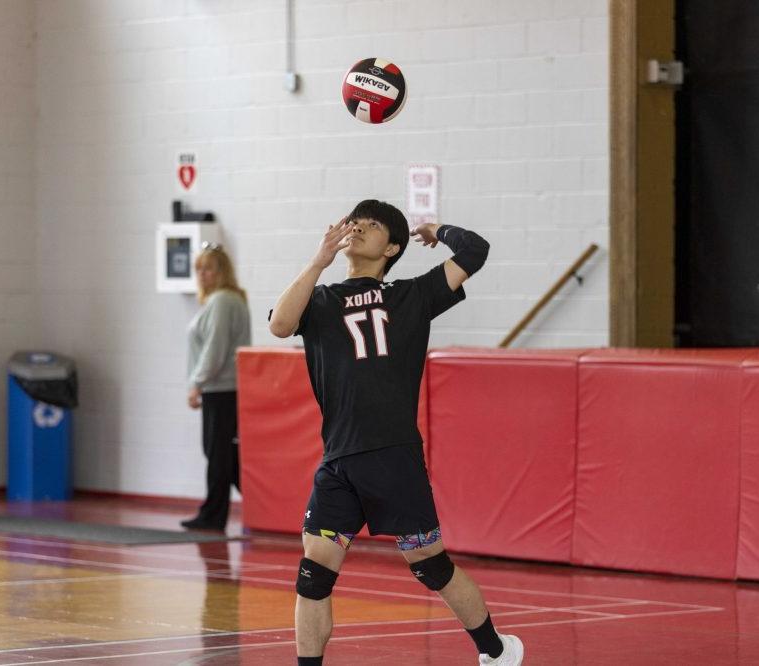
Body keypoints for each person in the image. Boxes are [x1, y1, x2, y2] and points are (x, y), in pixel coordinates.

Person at [268, 200, 524, 665]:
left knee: (430, 568)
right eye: (355, 221)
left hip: (393, 456)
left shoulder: (410, 296)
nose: (359, 227)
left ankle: (496, 652)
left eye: (373, 225)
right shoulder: (320, 299)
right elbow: (280, 324)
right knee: (313, 576)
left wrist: (436, 228)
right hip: (339, 462)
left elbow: (476, 251)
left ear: (392, 247)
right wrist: (317, 262)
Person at [181, 243, 252, 532]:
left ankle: (213, 514)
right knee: (224, 455)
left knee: (218, 453)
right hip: (223, 388)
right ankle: (260, 501)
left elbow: (215, 348)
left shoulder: (222, 300)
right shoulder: (227, 300)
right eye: (198, 268)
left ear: (222, 271)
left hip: (221, 388)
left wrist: (197, 382)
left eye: (208, 268)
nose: (201, 274)